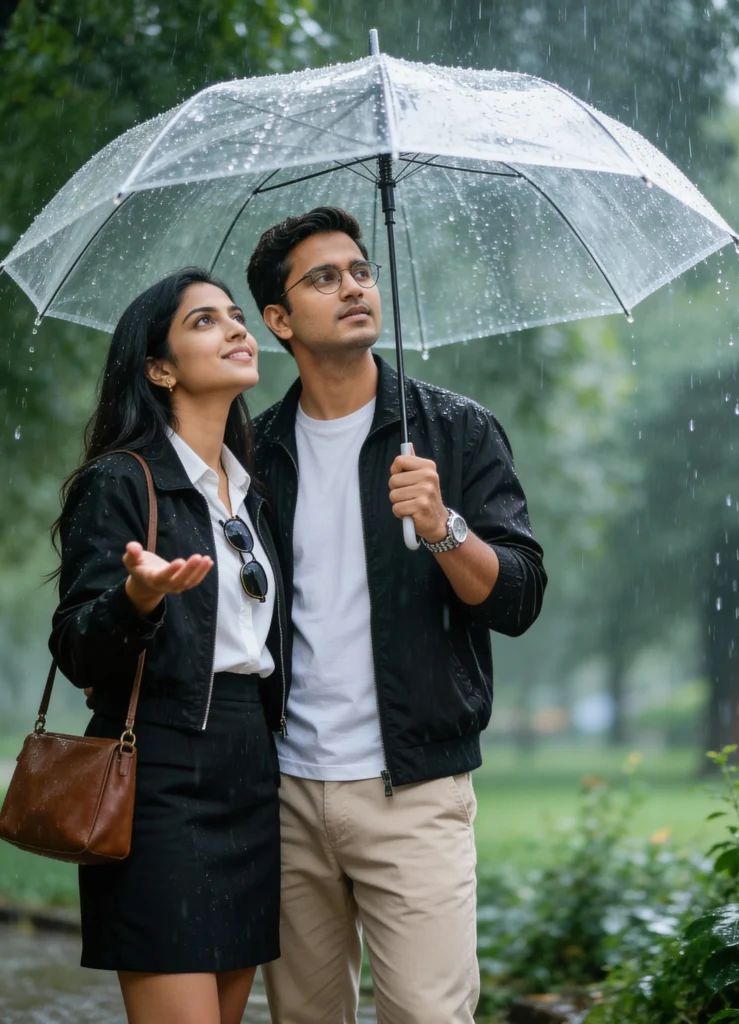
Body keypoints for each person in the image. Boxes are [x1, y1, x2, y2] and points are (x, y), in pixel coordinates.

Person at [246, 207, 547, 1024]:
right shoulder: (253, 451)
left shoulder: (455, 430)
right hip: (285, 790)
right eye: (324, 278)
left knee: (428, 1016)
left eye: (361, 271)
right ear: (279, 320)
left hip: (413, 789)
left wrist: (444, 527)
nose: (353, 288)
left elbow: (519, 596)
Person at [48, 267, 287, 1024]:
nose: (238, 330)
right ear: (159, 368)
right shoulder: (121, 482)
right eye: (206, 322)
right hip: (157, 771)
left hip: (251, 774)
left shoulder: (250, 493)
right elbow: (77, 647)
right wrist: (135, 598)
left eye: (238, 316)